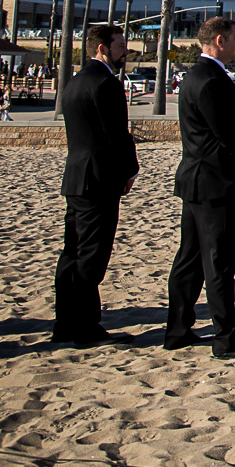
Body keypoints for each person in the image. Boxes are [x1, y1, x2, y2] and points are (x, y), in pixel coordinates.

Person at [166, 16, 235, 357]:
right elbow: (227, 135)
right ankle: (226, 336)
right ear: (219, 41)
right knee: (218, 262)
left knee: (189, 258)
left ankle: (178, 327)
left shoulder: (195, 75)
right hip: (214, 181)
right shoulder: (210, 80)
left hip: (195, 178)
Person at [53, 24, 140, 346]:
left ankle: (64, 322)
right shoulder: (106, 84)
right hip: (99, 179)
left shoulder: (74, 83)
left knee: (71, 253)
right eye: (119, 45)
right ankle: (85, 326)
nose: (124, 50)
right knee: (92, 255)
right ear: (102, 48)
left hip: (75, 176)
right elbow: (116, 135)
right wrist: (129, 172)